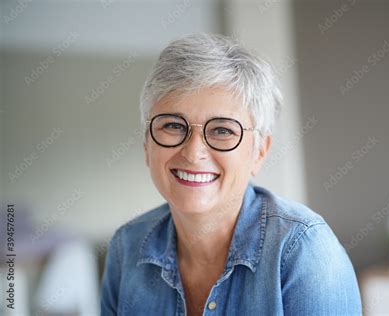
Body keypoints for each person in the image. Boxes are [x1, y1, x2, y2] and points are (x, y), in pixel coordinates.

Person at [101, 33, 362, 315]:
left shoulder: (305, 252)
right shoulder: (126, 247)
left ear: (259, 151)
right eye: (174, 125)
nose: (193, 153)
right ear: (146, 144)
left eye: (222, 130)